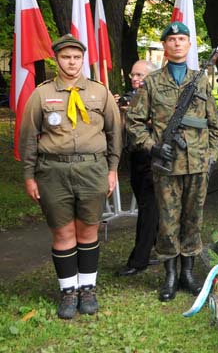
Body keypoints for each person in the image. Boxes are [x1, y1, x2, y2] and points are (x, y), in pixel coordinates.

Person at [19, 34, 121, 319]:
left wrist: (112, 170)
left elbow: (115, 134)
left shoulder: (99, 93)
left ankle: (87, 288)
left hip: (93, 169)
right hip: (53, 171)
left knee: (88, 229)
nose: (72, 62)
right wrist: (29, 175)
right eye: (66, 57)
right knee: (63, 232)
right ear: (57, 59)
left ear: (82, 59)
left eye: (76, 57)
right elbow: (28, 138)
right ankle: (68, 291)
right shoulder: (41, 94)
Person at [126, 22, 218, 302]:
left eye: (182, 39)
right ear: (165, 47)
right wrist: (152, 148)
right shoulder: (153, 83)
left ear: (189, 45)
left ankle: (187, 273)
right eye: (172, 39)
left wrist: (211, 156)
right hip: (166, 166)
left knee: (193, 219)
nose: (177, 43)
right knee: (167, 222)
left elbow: (213, 126)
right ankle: (169, 274)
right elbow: (134, 122)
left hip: (197, 165)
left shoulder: (201, 80)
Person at [116, 60, 159, 277]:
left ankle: (139, 259)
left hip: (152, 157)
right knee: (149, 207)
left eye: (140, 75)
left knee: (148, 208)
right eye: (133, 74)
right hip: (135, 157)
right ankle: (159, 248)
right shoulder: (131, 97)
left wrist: (134, 114)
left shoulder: (158, 96)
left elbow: (161, 123)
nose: (134, 78)